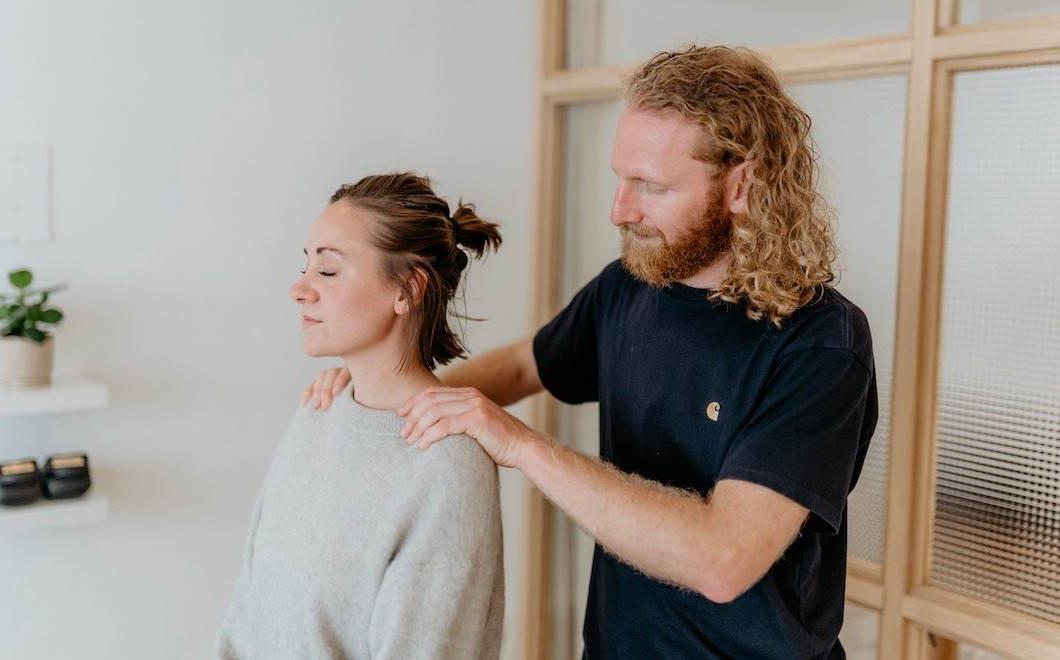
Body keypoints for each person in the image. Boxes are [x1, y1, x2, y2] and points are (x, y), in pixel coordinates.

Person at [309, 45, 877, 659]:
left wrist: (522, 445)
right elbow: (527, 365)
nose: (619, 210)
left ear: (740, 184)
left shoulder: (821, 345)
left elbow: (724, 558)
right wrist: (381, 398)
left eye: (650, 186)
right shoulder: (627, 289)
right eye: (619, 178)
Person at [216, 172, 505, 659]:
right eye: (305, 265)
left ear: (407, 290)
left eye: (327, 272)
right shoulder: (318, 412)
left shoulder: (449, 469)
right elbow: (250, 608)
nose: (299, 288)